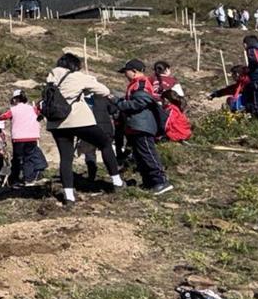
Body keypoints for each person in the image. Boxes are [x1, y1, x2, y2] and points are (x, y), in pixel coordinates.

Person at [44, 53, 124, 207]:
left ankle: (69, 197)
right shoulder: (77, 76)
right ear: (74, 65)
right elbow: (103, 90)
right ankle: (117, 182)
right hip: (79, 120)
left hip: (57, 124)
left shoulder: (51, 78)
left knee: (66, 158)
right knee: (105, 144)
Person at [116, 59, 173, 195]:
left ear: (134, 71)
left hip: (142, 125)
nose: (125, 74)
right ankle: (148, 181)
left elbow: (140, 102)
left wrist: (120, 104)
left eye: (126, 71)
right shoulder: (135, 84)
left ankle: (160, 181)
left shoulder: (140, 83)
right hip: (136, 126)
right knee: (140, 155)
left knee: (147, 154)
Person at [0, 90, 44, 186]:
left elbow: (3, 117)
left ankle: (15, 179)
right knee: (29, 158)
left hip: (18, 138)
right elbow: (40, 114)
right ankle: (29, 179)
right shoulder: (32, 108)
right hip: (32, 137)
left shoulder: (13, 110)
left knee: (17, 159)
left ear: (15, 99)